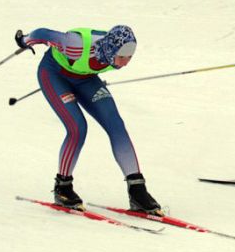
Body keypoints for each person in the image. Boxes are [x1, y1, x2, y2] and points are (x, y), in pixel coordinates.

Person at [15, 25, 163, 215]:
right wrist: (25, 40)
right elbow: (43, 34)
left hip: (86, 79)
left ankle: (137, 190)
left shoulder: (113, 51)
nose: (125, 63)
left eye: (130, 58)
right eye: (122, 57)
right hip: (54, 74)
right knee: (78, 128)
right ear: (110, 49)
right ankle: (63, 188)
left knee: (115, 124)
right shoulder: (75, 44)